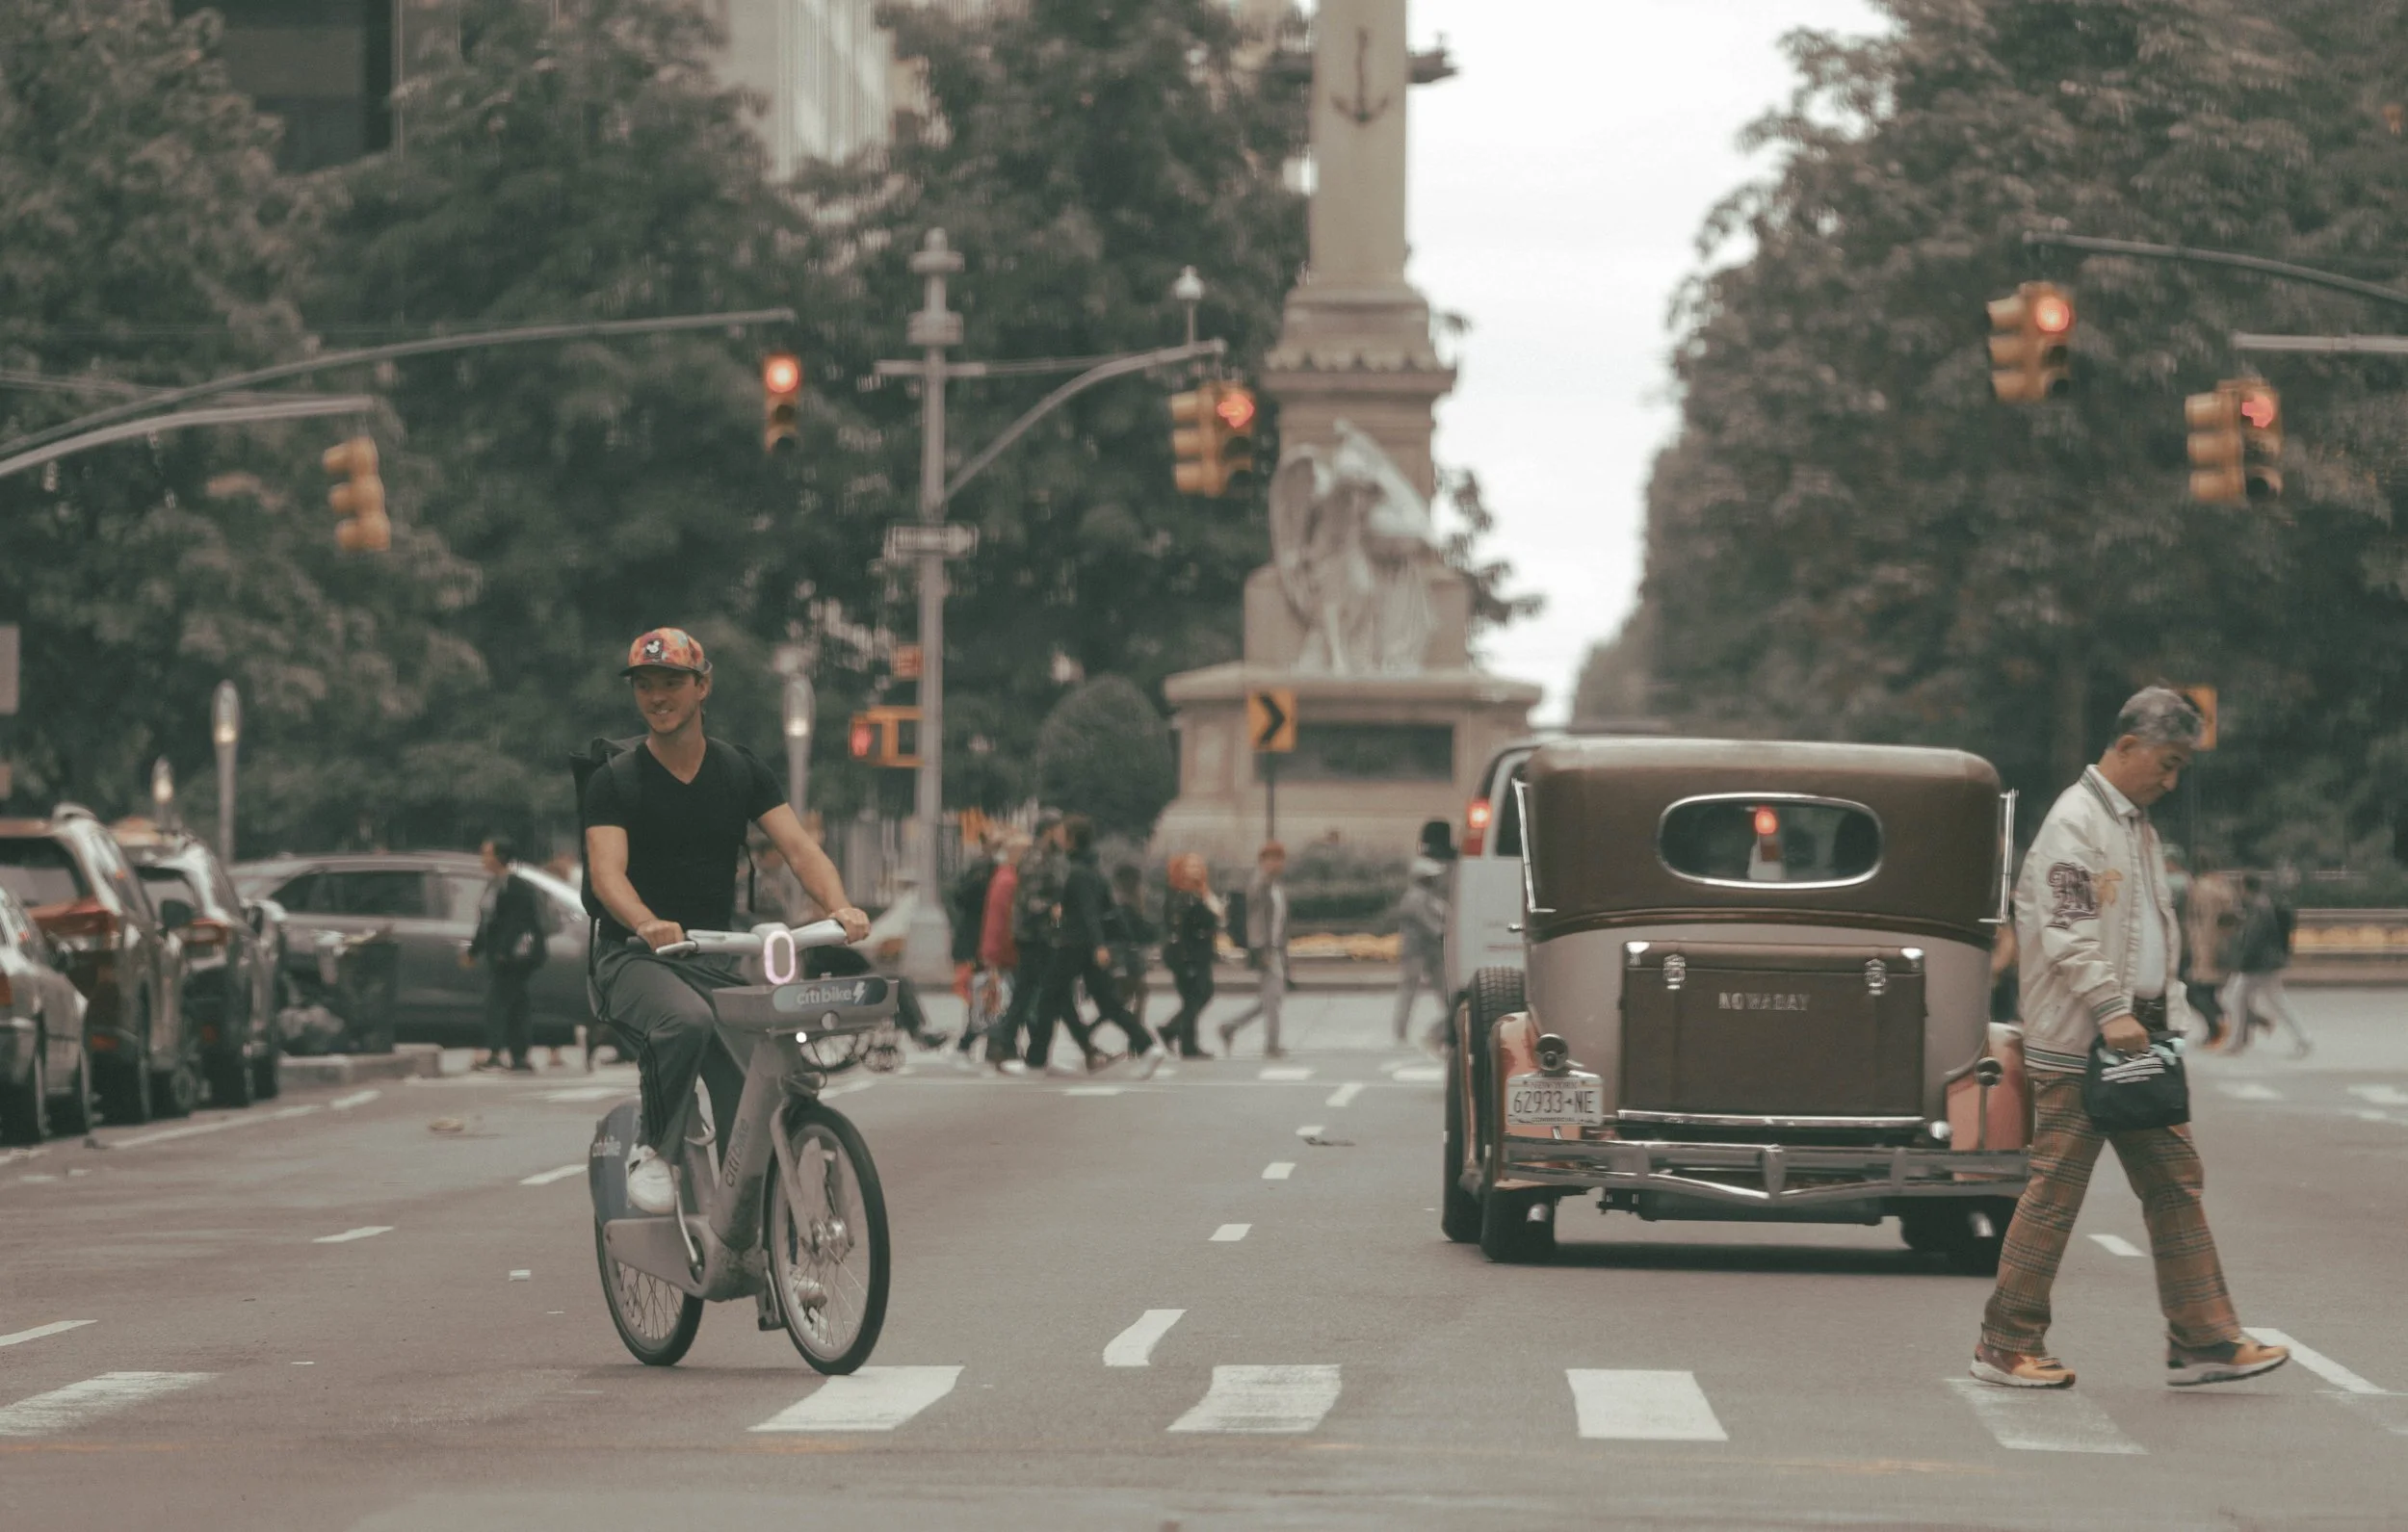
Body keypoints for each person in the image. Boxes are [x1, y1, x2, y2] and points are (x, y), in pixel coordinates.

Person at [1972, 687, 2288, 1391]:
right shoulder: (2076, 821)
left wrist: (2161, 1014)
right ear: (2126, 745)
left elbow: (2151, 932)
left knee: (2175, 1183)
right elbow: (2068, 927)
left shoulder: (2132, 824)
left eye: (2180, 768)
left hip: (2136, 1034)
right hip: (2086, 1038)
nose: (2171, 780)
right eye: (2167, 763)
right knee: (2056, 1189)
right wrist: (2115, 1008)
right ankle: (2006, 1340)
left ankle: (2203, 1336)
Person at [583, 628, 869, 1215]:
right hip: (633, 957)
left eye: (672, 683)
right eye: (645, 686)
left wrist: (838, 907)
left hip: (709, 957)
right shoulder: (616, 780)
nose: (658, 697)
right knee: (684, 1022)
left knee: (764, 1076)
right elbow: (608, 876)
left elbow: (800, 849)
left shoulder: (739, 771)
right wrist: (648, 922)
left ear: (702, 686)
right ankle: (653, 1151)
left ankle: (766, 1262)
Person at [1032, 816, 1165, 1078]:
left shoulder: (1078, 872)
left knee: (1048, 995)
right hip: (1088, 945)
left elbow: (1090, 912)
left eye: (1062, 832)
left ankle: (1036, 1061)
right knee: (1108, 1003)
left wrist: (1098, 944)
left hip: (1076, 945)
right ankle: (1148, 1047)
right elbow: (1106, 907)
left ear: (1070, 839)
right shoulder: (1093, 869)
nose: (1057, 835)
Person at [464, 836, 547, 1073]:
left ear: (500, 857)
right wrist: (475, 950)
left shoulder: (516, 886)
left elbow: (519, 923)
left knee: (499, 1004)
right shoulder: (495, 884)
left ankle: (497, 1053)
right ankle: (518, 1056)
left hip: (513, 959)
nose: (483, 858)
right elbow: (487, 923)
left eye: (487, 854)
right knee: (515, 1004)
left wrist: (503, 951)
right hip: (500, 957)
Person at [1217, 842, 1291, 1059]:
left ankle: (1230, 1026)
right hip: (1266, 950)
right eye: (1271, 859)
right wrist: (1260, 950)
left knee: (1272, 999)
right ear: (1262, 861)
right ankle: (1271, 1045)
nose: (1276, 863)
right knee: (1273, 998)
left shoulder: (1275, 885)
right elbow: (1255, 921)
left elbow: (1280, 920)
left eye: (1279, 859)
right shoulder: (1259, 884)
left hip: (1276, 949)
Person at [2223, 873, 2310, 1058]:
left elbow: (2254, 938)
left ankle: (2236, 1042)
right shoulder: (2262, 905)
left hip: (2257, 964)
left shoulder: (2258, 908)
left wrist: (2243, 960)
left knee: (2238, 997)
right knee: (2274, 1000)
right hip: (2264, 963)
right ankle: (2303, 1039)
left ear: (2246, 887)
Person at [965, 828, 1028, 1071]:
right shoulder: (1009, 880)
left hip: (999, 950)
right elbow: (1003, 921)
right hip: (1004, 952)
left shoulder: (1003, 877)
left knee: (1002, 1002)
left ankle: (1001, 1049)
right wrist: (997, 953)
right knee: (1006, 1003)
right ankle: (1000, 1049)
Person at [1392, 827, 1451, 1046]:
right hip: (1415, 952)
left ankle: (1449, 1025)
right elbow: (1431, 924)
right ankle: (1400, 1032)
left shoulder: (1432, 897)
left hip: (1433, 952)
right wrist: (1443, 932)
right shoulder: (1415, 897)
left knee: (1444, 990)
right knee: (1409, 990)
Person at [1159, 854, 1220, 1058]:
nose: (1195, 869)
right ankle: (1183, 1040)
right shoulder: (1180, 896)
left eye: (1197, 865)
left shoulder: (1198, 893)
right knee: (1195, 996)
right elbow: (1182, 929)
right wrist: (1186, 960)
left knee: (1197, 996)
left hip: (1199, 954)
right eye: (1189, 866)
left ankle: (1178, 1035)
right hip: (1186, 956)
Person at [1104, 864, 1156, 1029]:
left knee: (1123, 1000)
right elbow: (1138, 932)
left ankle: (1136, 1037)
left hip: (1125, 959)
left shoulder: (1120, 903)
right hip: (1126, 960)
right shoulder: (1126, 906)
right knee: (1137, 994)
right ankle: (1137, 1036)